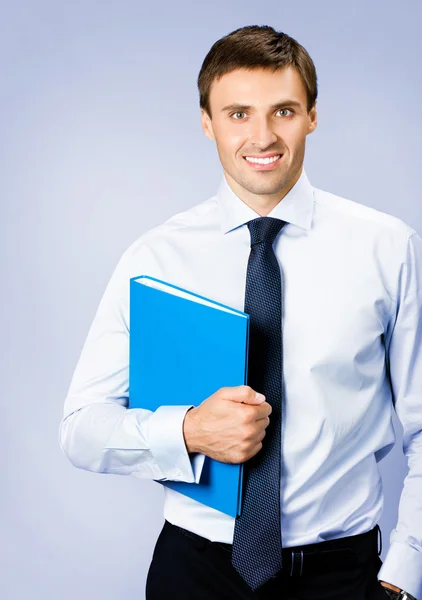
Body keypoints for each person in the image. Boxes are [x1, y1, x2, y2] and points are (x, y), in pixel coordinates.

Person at [59, 25, 422, 600]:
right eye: (238, 114)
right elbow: (80, 429)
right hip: (195, 572)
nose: (262, 135)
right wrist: (187, 430)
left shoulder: (387, 248)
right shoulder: (155, 258)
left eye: (283, 110)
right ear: (207, 122)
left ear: (312, 116)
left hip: (343, 575)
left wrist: (404, 572)